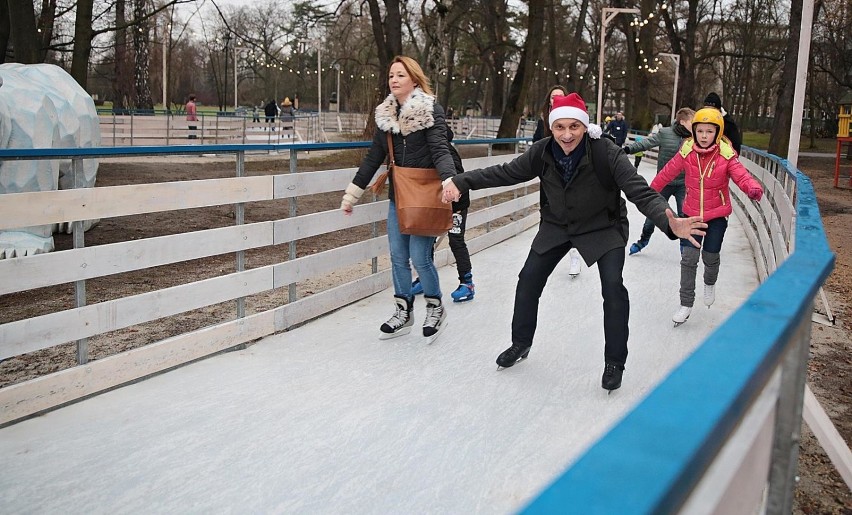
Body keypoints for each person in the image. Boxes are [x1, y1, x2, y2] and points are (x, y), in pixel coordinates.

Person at [442, 93, 707, 392]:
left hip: (602, 226)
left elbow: (639, 192)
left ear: (584, 127)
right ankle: (521, 343)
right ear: (552, 128)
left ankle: (615, 361)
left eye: (574, 127)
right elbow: (505, 173)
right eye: (560, 128)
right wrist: (462, 181)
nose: (567, 135)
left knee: (613, 288)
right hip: (558, 224)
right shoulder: (542, 152)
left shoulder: (606, 152)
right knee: (528, 279)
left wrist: (668, 220)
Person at [340, 55, 457, 344]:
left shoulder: (431, 111)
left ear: (414, 80)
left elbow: (441, 150)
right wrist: (352, 194)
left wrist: (450, 181)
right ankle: (403, 311)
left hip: (427, 195)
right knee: (396, 255)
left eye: (400, 75)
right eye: (391, 75)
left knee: (419, 256)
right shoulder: (385, 117)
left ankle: (435, 307)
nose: (394, 79)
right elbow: (372, 159)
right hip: (399, 196)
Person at [650, 107, 762, 325]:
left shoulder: (726, 154)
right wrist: (650, 191)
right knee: (689, 258)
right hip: (691, 213)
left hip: (717, 215)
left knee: (710, 257)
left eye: (709, 131)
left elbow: (742, 176)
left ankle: (709, 283)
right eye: (700, 131)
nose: (703, 136)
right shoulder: (687, 151)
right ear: (694, 131)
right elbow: (668, 172)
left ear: (717, 132)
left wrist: (752, 188)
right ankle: (685, 303)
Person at [411, 127, 476, 302]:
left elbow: (457, 180)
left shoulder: (447, 153)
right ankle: (424, 278)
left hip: (456, 205)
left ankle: (467, 283)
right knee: (427, 240)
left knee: (456, 241)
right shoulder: (422, 153)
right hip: (434, 204)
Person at [623, 107, 696, 255]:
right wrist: (627, 149)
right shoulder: (665, 133)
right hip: (664, 182)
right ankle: (643, 240)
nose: (695, 125)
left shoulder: (695, 138)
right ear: (682, 121)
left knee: (684, 215)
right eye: (692, 121)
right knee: (654, 214)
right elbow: (646, 143)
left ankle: (685, 246)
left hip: (683, 184)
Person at [532, 85, 582, 276]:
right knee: (548, 212)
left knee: (571, 214)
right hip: (549, 176)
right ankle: (544, 252)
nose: (556, 99)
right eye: (553, 97)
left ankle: (575, 255)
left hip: (570, 176)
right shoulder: (543, 122)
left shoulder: (573, 118)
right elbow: (537, 145)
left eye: (560, 96)